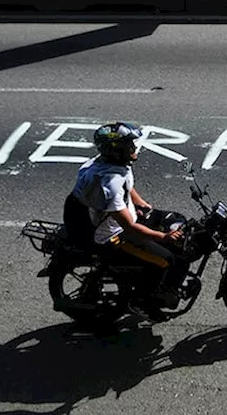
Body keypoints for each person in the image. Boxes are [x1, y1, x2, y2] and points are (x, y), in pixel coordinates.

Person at [63, 121, 185, 320]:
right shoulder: (109, 184)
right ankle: (144, 303)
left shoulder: (109, 164)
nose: (134, 147)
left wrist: (140, 203)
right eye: (129, 144)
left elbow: (126, 184)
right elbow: (129, 229)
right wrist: (163, 236)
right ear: (117, 150)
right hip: (111, 235)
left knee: (174, 219)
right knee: (165, 260)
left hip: (119, 215)